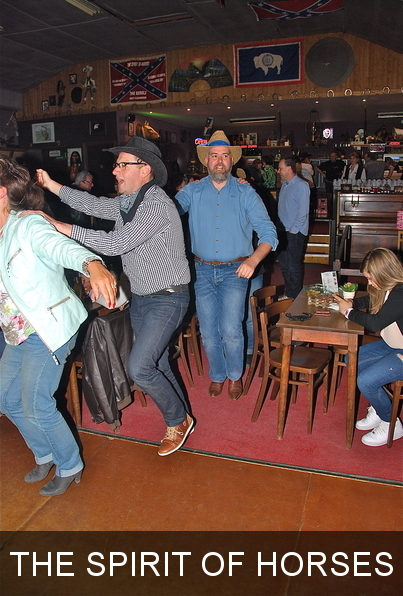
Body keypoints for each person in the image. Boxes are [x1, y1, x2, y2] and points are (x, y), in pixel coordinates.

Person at [35, 136, 193, 457]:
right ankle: (180, 416)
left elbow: (115, 243)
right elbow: (93, 204)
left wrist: (58, 225)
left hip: (168, 297)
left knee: (140, 367)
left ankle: (179, 420)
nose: (115, 170)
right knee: (157, 362)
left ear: (144, 169)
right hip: (143, 297)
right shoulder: (129, 200)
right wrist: (51, 185)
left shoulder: (156, 205)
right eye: (116, 164)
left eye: (122, 165)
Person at [0, 154, 116, 496]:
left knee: (37, 403)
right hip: (17, 333)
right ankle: (45, 453)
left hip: (47, 329)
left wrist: (92, 264)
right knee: (6, 399)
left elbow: (61, 247)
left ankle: (70, 463)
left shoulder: (27, 226)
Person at [175, 130, 278, 400]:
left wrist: (253, 260)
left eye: (224, 156)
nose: (219, 161)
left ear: (232, 160)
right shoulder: (193, 191)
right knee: (209, 331)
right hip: (201, 270)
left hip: (236, 271)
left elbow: (269, 233)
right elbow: (168, 213)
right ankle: (217, 375)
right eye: (214, 156)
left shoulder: (246, 193)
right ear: (206, 160)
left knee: (232, 329)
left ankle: (234, 376)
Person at [334, 248, 403, 447]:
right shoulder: (389, 287)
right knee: (352, 359)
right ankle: (379, 407)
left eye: (371, 278)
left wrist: (348, 311)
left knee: (366, 381)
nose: (369, 283)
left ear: (385, 273)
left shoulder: (401, 292)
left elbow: (374, 323)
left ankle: (391, 423)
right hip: (394, 345)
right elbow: (371, 298)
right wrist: (352, 302)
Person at [276, 157, 310, 300]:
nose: (278, 171)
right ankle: (289, 293)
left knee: (293, 266)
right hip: (283, 231)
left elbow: (303, 211)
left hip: (294, 232)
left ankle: (296, 296)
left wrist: (293, 230)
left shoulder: (301, 185)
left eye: (280, 168)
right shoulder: (285, 184)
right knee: (284, 265)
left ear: (289, 168)